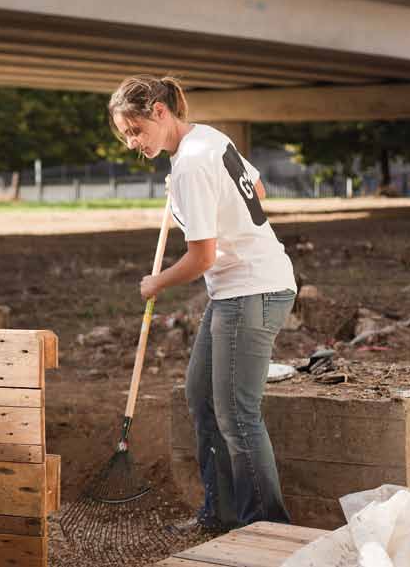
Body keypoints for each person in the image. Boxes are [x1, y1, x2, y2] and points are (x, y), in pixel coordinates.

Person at [108, 75, 297, 530]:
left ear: (159, 112)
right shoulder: (208, 138)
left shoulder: (191, 164)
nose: (134, 142)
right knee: (202, 398)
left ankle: (266, 527)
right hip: (237, 290)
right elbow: (259, 191)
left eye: (136, 130)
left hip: (252, 289)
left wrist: (156, 283)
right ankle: (220, 515)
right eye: (125, 136)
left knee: (238, 415)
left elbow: (202, 257)